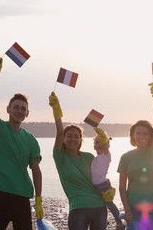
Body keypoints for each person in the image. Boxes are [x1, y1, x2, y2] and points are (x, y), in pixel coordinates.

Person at [0, 57, 43, 229]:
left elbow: (36, 170)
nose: (19, 111)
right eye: (16, 107)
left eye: (23, 109)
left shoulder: (30, 139)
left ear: (27, 113)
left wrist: (38, 198)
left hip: (22, 197)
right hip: (0, 195)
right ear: (8, 109)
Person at [49, 92, 107, 230]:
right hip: (78, 208)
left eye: (76, 137)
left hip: (99, 206)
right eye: (69, 136)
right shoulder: (60, 157)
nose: (73, 139)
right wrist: (56, 111)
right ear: (63, 139)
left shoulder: (88, 157)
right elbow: (59, 132)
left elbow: (100, 176)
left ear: (81, 140)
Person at [117, 83, 153, 230]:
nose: (141, 136)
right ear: (133, 135)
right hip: (133, 206)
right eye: (138, 133)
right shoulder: (125, 157)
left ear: (151, 136)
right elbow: (122, 187)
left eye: (145, 133)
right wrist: (127, 210)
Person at [92, 127, 126, 230]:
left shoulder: (106, 155)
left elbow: (104, 142)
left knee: (109, 204)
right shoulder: (96, 158)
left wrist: (96, 128)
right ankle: (103, 220)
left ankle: (119, 221)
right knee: (100, 205)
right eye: (96, 142)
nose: (98, 144)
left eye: (100, 142)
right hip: (96, 186)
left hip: (103, 186)